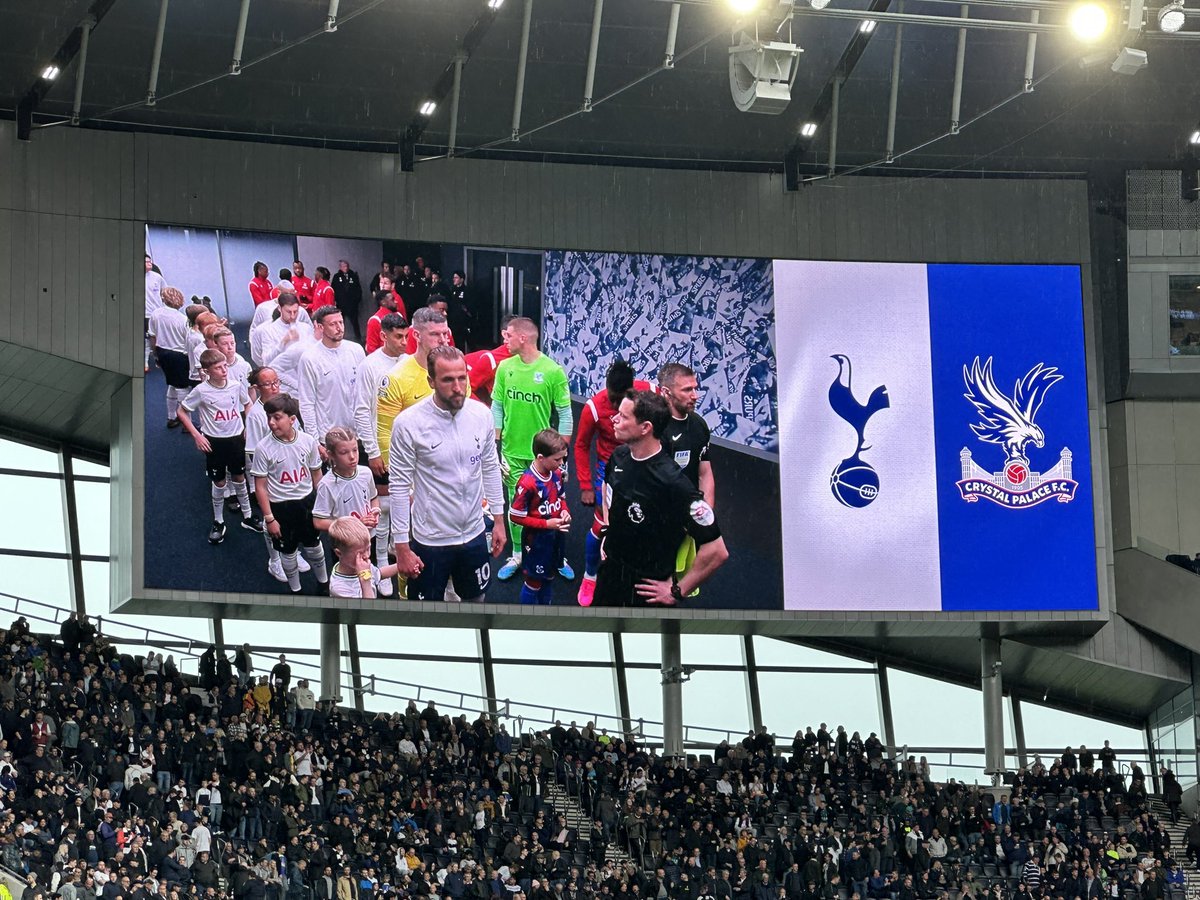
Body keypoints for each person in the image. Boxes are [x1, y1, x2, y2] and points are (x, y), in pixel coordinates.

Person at [389, 346, 505, 603]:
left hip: (474, 532)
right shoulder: (408, 424)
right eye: (448, 380)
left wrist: (498, 519)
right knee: (426, 613)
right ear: (431, 381)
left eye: (462, 377)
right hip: (431, 539)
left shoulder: (482, 415)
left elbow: (490, 467)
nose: (458, 387)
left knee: (476, 602)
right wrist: (401, 546)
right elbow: (398, 486)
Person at [593, 391, 728, 607]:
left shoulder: (675, 484)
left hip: (645, 590)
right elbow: (608, 487)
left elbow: (717, 551)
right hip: (610, 574)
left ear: (645, 427)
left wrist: (677, 591)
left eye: (623, 416)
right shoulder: (619, 456)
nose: (614, 419)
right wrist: (609, 529)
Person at [491, 317, 573, 582]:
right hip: (512, 452)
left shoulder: (552, 371)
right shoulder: (505, 368)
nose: (505, 339)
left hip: (544, 456)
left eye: (509, 335)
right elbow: (497, 407)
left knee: (554, 506)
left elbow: (565, 414)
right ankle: (517, 554)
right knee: (517, 506)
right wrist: (496, 446)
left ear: (523, 338)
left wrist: (563, 455)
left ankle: (558, 556)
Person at [574, 360, 652, 605]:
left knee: (640, 520)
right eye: (613, 399)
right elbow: (581, 445)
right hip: (608, 470)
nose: (617, 407)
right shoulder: (594, 408)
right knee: (602, 525)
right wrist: (586, 485)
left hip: (641, 465)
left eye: (621, 400)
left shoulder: (647, 392)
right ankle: (590, 576)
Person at [178, 349, 260, 544]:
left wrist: (248, 425)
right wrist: (197, 435)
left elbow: (247, 403)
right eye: (218, 368)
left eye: (225, 366)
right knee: (220, 482)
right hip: (215, 441)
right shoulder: (201, 390)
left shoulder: (235, 385)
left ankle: (248, 516)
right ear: (207, 371)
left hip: (236, 439)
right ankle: (218, 521)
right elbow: (181, 411)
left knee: (240, 476)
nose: (224, 370)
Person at [249, 394, 328, 593]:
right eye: (269, 417)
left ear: (292, 419)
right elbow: (260, 486)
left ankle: (324, 584)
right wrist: (269, 518)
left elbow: (317, 475)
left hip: (306, 503)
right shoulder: (263, 448)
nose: (271, 422)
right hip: (281, 507)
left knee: (314, 546)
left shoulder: (308, 441)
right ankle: (296, 590)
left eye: (277, 417)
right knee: (288, 551)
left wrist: (323, 506)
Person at [370, 308, 453, 480]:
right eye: (435, 334)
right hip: (415, 471)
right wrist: (399, 479)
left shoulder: (457, 373)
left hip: (451, 467)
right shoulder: (395, 378)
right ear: (416, 335)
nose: (443, 340)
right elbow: (385, 432)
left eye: (445, 333)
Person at [353, 312, 410, 563]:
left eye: (406, 336)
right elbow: (362, 411)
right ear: (384, 336)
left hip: (407, 447)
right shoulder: (369, 366)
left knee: (405, 501)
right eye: (398, 337)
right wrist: (372, 451)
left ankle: (397, 546)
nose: (404, 342)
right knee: (384, 506)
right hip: (381, 446)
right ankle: (382, 559)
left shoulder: (408, 362)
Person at [246, 367, 309, 583]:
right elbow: (253, 452)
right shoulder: (256, 415)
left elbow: (297, 434)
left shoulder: (286, 405)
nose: (274, 387)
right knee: (271, 521)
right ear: (257, 388)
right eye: (268, 384)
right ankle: (274, 560)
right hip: (270, 478)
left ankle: (292, 552)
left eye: (276, 382)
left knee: (292, 519)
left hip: (291, 474)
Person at [658, 362, 716, 595]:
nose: (695, 395)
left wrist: (705, 517)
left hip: (687, 523)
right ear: (666, 393)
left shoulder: (699, 426)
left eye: (695, 388)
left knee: (678, 590)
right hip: (657, 525)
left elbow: (705, 473)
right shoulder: (654, 429)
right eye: (687, 390)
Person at [311, 426, 389, 596]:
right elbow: (318, 521)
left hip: (368, 538)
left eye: (355, 450)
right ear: (331, 455)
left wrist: (375, 510)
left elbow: (373, 497)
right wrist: (355, 525)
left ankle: (370, 589)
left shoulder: (365, 473)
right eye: (344, 452)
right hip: (345, 545)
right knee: (349, 581)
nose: (352, 456)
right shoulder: (327, 485)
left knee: (368, 570)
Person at [508, 430, 571, 606]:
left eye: (563, 458)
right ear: (541, 458)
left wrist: (564, 511)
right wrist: (546, 524)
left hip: (556, 536)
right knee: (534, 582)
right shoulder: (527, 483)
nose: (561, 463)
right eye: (557, 459)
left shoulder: (556, 474)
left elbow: (561, 498)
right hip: (536, 541)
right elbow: (515, 516)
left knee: (549, 577)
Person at [299, 307, 365, 459]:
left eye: (341, 322)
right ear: (320, 327)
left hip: (359, 434)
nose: (339, 328)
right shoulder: (310, 358)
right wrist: (314, 441)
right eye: (333, 324)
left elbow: (365, 393)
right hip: (329, 436)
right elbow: (307, 402)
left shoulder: (356, 350)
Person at [147, 286, 192, 429]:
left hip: (163, 353)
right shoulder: (183, 319)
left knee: (172, 384)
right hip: (179, 355)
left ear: (163, 299)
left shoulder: (155, 314)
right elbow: (188, 341)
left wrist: (156, 355)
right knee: (182, 388)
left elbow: (152, 337)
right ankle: (187, 424)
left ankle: (172, 417)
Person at [327, 517, 399, 600]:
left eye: (368, 549)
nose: (366, 556)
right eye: (360, 553)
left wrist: (400, 566)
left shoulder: (361, 564)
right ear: (339, 553)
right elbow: (368, 607)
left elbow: (378, 573)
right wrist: (365, 579)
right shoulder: (339, 588)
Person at [463, 316, 515, 406]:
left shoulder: (528, 360)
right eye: (519, 334)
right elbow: (465, 390)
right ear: (505, 335)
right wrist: (484, 411)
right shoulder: (491, 359)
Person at [252, 292, 313, 369]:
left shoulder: (306, 328)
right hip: (280, 373)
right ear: (279, 309)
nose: (292, 316)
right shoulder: (268, 330)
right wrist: (283, 343)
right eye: (289, 312)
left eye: (295, 311)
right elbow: (266, 361)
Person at [331, 259, 364, 343]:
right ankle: (340, 338)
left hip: (352, 304)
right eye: (344, 266)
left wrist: (356, 300)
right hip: (341, 304)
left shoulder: (353, 275)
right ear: (340, 267)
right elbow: (333, 290)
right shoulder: (336, 277)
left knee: (355, 322)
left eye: (346, 266)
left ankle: (359, 338)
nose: (345, 268)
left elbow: (358, 289)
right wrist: (336, 300)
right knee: (340, 322)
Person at [365, 288, 404, 355]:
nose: (396, 301)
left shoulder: (399, 315)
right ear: (383, 302)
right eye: (392, 299)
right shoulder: (375, 320)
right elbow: (371, 348)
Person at [145, 254, 166, 371]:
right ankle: (145, 362)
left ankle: (158, 358)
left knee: (159, 338)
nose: (149, 263)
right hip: (144, 315)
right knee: (146, 339)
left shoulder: (157, 277)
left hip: (157, 313)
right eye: (146, 261)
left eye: (150, 261)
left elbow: (165, 292)